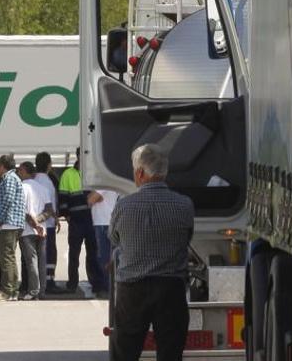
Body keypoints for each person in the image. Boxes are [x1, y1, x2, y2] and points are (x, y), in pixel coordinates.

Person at [110, 144, 194, 361]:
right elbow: (187, 238)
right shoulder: (184, 205)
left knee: (125, 352)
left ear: (139, 173)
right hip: (171, 289)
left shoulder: (124, 205)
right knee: (170, 352)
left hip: (132, 289)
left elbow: (114, 238)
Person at [59, 148, 102, 295]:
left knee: (93, 253)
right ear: (78, 156)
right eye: (82, 154)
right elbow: (63, 197)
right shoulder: (68, 174)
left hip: (92, 220)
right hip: (76, 221)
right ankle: (72, 283)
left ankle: (95, 282)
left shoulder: (95, 173)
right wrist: (67, 216)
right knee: (74, 254)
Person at [0, 155, 25, 302]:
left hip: (9, 223)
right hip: (14, 223)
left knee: (6, 258)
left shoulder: (8, 179)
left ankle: (7, 291)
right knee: (10, 257)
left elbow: (7, 200)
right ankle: (13, 290)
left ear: (2, 166)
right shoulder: (13, 178)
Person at [18, 162, 53, 300]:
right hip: (42, 230)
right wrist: (39, 221)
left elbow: (23, 211)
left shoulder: (21, 187)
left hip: (27, 230)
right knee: (41, 261)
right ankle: (42, 291)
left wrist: (34, 223)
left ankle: (33, 291)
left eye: (20, 170)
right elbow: (49, 210)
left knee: (31, 261)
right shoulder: (43, 188)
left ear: (24, 171)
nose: (18, 172)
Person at [34, 152, 63, 293]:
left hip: (33, 222)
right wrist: (56, 218)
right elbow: (50, 203)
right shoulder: (48, 182)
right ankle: (49, 281)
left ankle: (39, 281)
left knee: (37, 253)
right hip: (48, 223)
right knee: (50, 252)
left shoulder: (34, 180)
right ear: (49, 165)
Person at [89, 187, 120, 300]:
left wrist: (91, 197)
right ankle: (111, 286)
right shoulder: (110, 184)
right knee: (110, 256)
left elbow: (91, 199)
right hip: (107, 222)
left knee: (104, 257)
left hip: (103, 223)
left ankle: (108, 287)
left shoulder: (103, 185)